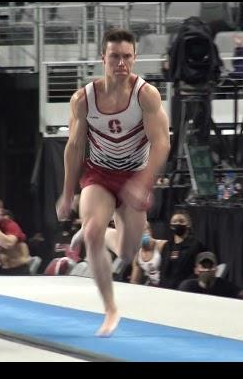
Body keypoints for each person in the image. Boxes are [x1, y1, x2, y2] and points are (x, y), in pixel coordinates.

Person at [56, 28, 170, 336]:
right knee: (92, 233)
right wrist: (67, 194)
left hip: (134, 174)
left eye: (127, 57)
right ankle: (110, 310)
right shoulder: (84, 99)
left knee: (127, 253)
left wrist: (142, 183)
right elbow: (75, 147)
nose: (121, 63)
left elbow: (162, 145)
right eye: (115, 57)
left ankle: (101, 231)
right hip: (100, 174)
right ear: (102, 58)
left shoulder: (145, 95)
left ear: (135, 58)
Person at [178, 251, 243, 300]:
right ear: (196, 270)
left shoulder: (225, 286)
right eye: (204, 266)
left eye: (210, 266)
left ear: (216, 269)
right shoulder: (187, 287)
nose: (207, 270)